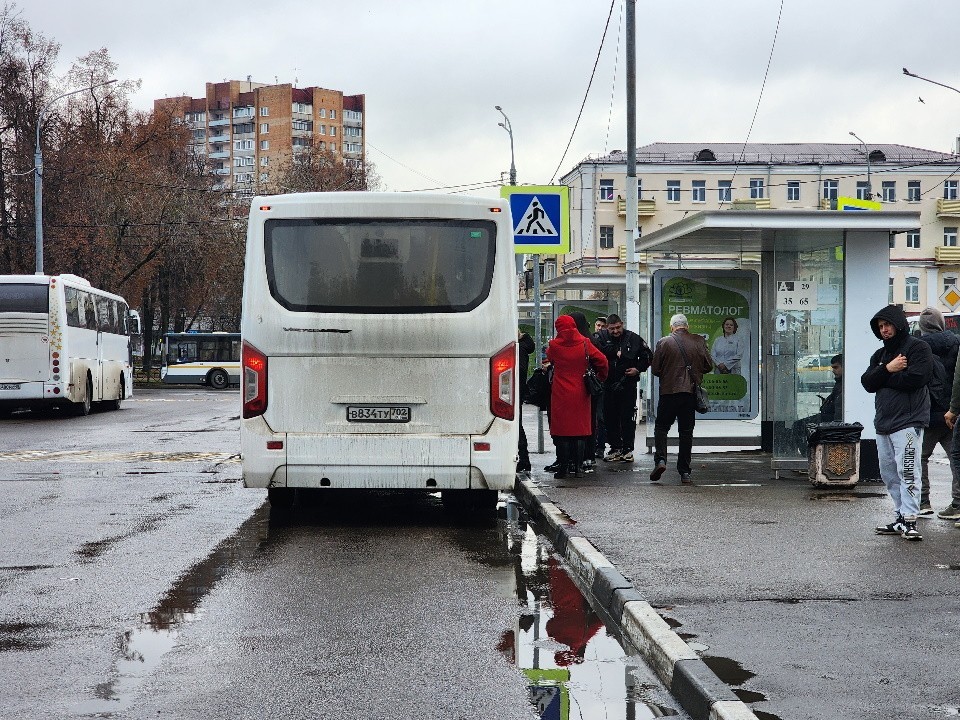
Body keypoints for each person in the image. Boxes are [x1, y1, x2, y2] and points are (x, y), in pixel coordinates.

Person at [861, 304, 933, 542]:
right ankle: (899, 515)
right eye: (880, 327)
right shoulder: (880, 356)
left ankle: (911, 519)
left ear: (897, 323)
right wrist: (888, 369)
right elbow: (867, 382)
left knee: (909, 470)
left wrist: (883, 377)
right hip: (883, 422)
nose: (884, 330)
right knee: (889, 473)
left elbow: (917, 378)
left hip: (909, 421)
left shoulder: (918, 347)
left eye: (887, 324)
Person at [649, 313, 714, 483]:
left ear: (672, 327)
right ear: (687, 326)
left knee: (662, 427)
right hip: (689, 394)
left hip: (668, 393)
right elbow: (708, 365)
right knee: (686, 432)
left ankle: (661, 460)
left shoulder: (664, 342)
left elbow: (655, 369)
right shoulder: (699, 341)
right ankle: (684, 472)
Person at [546, 315, 608, 479]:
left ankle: (563, 468)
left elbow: (549, 358)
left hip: (560, 392)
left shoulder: (553, 345)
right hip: (581, 391)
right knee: (579, 430)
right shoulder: (585, 343)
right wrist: (600, 377)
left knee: (562, 431)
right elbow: (602, 361)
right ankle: (578, 468)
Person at [916, 307, 960, 515]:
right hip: (952, 412)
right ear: (941, 323)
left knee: (920, 458)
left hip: (927, 413)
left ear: (922, 327)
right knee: (956, 457)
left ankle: (923, 501)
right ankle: (958, 503)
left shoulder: (917, 348)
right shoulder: (956, 343)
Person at [594, 314, 651, 463]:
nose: (615, 331)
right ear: (607, 327)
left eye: (618, 328)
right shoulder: (600, 337)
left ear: (622, 324)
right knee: (609, 418)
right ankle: (615, 447)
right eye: (612, 329)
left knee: (627, 417)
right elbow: (595, 351)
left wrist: (638, 369)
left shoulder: (633, 338)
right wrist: (613, 352)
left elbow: (647, 356)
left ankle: (627, 449)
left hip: (627, 384)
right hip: (607, 385)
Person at [792, 354, 843, 454]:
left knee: (799, 426)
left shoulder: (843, 384)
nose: (833, 371)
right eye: (833, 368)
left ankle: (808, 455)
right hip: (829, 417)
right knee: (799, 426)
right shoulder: (839, 383)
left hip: (832, 420)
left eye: (836, 367)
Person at [940, 348, 960, 528]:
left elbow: (958, 378)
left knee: (957, 455)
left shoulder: (920, 345)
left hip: (934, 410)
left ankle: (923, 502)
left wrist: (954, 408)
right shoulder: (953, 343)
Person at [516, 328, 536, 473]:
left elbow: (520, 370)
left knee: (517, 425)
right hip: (518, 390)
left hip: (515, 391)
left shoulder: (520, 348)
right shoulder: (523, 346)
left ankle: (524, 459)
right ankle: (524, 459)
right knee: (517, 425)